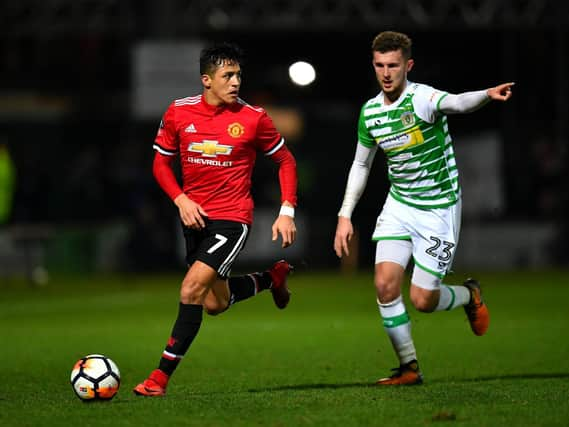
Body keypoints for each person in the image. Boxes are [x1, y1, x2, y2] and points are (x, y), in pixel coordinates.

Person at [333, 31, 513, 385]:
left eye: (394, 66)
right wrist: (344, 214)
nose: (386, 73)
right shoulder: (370, 112)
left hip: (438, 209)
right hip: (399, 205)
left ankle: (469, 294)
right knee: (385, 286)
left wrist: (486, 96)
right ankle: (409, 368)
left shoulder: (423, 98)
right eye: (380, 66)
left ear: (408, 66)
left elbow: (458, 103)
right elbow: (361, 165)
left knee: (423, 300)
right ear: (374, 65)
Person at [134, 42, 298, 396]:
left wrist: (287, 210)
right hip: (194, 218)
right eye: (228, 75)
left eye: (239, 74)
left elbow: (285, 160)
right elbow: (160, 164)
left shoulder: (254, 118)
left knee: (191, 290)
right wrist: (180, 199)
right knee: (215, 303)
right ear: (206, 80)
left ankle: (158, 379)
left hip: (231, 218)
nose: (236, 81)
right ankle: (272, 278)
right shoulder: (179, 113)